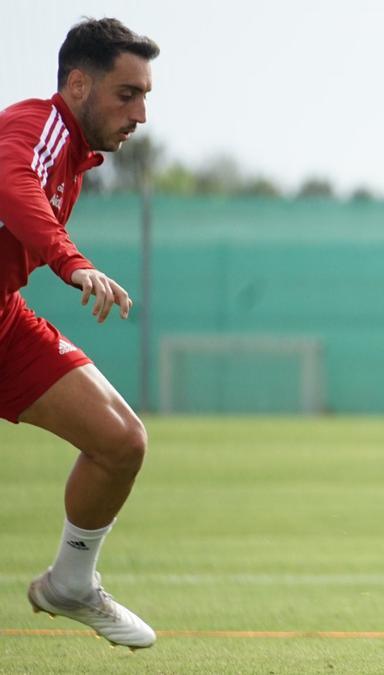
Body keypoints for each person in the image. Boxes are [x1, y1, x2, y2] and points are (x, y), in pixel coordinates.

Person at [0, 18, 159, 650]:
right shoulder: (37, 126)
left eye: (146, 95)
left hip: (3, 319)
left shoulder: (75, 152)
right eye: (127, 94)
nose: (141, 112)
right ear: (75, 84)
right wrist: (73, 261)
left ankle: (70, 582)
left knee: (120, 440)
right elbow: (14, 188)